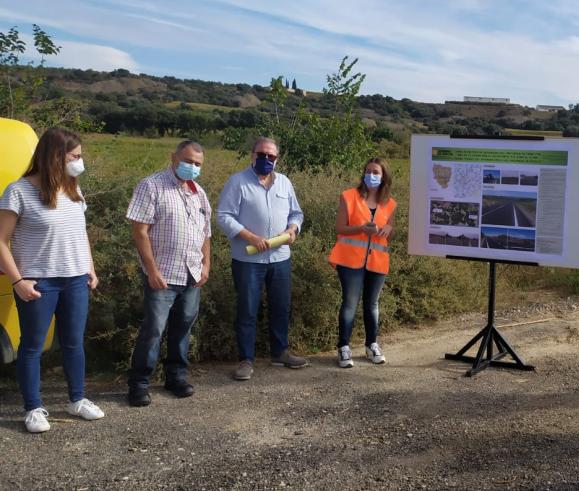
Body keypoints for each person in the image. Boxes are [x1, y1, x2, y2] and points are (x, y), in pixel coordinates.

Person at [0, 127, 104, 433]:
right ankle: (32, 408)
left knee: (73, 343)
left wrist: (90, 267)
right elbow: (1, 241)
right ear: (54, 157)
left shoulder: (74, 190)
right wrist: (18, 281)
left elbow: (79, 233)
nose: (79, 162)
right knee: (31, 347)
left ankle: (78, 399)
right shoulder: (18, 191)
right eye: (75, 156)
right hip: (38, 283)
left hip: (74, 279)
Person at [124, 140, 212, 406]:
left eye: (197, 164)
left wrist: (206, 264)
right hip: (162, 275)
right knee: (154, 329)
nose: (192, 167)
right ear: (173, 157)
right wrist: (151, 271)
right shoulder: (151, 186)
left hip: (191, 275)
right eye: (187, 161)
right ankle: (139, 384)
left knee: (183, 328)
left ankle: (176, 377)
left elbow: (205, 234)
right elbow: (140, 232)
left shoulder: (200, 193)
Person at [217, 136, 306, 381]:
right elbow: (224, 216)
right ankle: (246, 360)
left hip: (280, 257)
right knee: (247, 310)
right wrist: (249, 237)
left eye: (271, 156)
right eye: (261, 154)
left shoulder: (285, 183)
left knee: (281, 307)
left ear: (277, 159)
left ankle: (280, 353)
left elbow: (297, 213)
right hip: (248, 261)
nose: (266, 159)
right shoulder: (237, 182)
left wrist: (292, 230)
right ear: (252, 155)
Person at [327, 157, 397, 368]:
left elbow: (388, 235)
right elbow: (340, 228)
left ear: (383, 176)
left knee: (372, 304)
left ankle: (371, 345)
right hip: (350, 260)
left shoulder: (390, 203)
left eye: (376, 172)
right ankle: (344, 348)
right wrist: (360, 229)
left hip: (377, 261)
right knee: (350, 304)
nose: (371, 175)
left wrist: (389, 230)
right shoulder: (349, 197)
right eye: (368, 171)